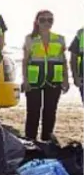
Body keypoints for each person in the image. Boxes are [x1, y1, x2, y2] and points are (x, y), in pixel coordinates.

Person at [23, 11, 68, 141]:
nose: (46, 23)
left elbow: (63, 60)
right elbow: (25, 61)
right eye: (43, 20)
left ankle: (47, 140)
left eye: (50, 20)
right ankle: (30, 140)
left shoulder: (59, 38)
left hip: (54, 80)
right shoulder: (30, 38)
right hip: (34, 80)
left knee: (50, 112)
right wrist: (25, 80)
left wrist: (65, 79)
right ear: (37, 21)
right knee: (33, 112)